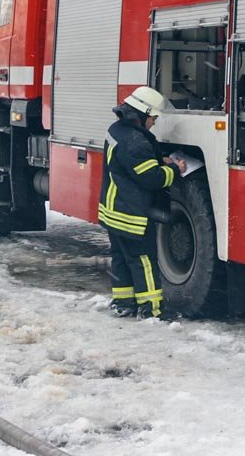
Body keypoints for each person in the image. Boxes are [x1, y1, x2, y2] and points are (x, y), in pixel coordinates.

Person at [99, 86, 186, 319]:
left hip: (113, 211)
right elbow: (151, 178)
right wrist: (173, 170)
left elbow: (129, 164)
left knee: (121, 258)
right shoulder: (136, 141)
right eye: (153, 118)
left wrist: (158, 159)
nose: (154, 123)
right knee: (144, 260)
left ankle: (124, 303)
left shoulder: (116, 130)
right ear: (141, 114)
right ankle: (151, 309)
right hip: (131, 214)